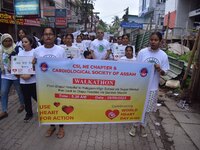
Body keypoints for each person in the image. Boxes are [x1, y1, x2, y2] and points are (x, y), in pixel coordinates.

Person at [129, 32, 170, 137]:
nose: (153, 42)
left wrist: (159, 69)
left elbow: (165, 72)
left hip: (152, 88)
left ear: (160, 42)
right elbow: (136, 68)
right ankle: (134, 125)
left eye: (156, 40)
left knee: (147, 110)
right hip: (141, 86)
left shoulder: (163, 55)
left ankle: (143, 126)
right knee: (138, 107)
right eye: (151, 39)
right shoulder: (142, 52)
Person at [33, 27, 65, 139]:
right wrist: (33, 63)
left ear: (54, 36)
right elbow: (33, 67)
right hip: (43, 85)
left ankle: (61, 127)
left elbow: (65, 66)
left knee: (59, 104)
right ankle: (52, 126)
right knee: (49, 105)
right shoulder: (37, 51)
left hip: (57, 83)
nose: (48, 36)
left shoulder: (60, 50)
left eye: (50, 34)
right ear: (42, 36)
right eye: (46, 34)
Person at [0, 33, 24, 120]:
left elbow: (22, 61)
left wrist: (14, 67)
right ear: (2, 41)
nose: (8, 42)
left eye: (9, 40)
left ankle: (22, 104)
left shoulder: (17, 49)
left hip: (15, 75)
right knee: (3, 92)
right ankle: (4, 110)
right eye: (5, 41)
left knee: (19, 91)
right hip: (5, 75)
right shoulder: (0, 49)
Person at [18, 35, 38, 122]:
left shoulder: (35, 52)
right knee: (26, 98)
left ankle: (44, 111)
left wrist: (30, 75)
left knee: (38, 97)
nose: (23, 44)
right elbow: (17, 65)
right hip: (23, 81)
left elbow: (37, 66)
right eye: (22, 42)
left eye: (26, 42)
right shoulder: (20, 53)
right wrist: (21, 75)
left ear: (31, 43)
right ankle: (28, 113)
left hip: (33, 80)